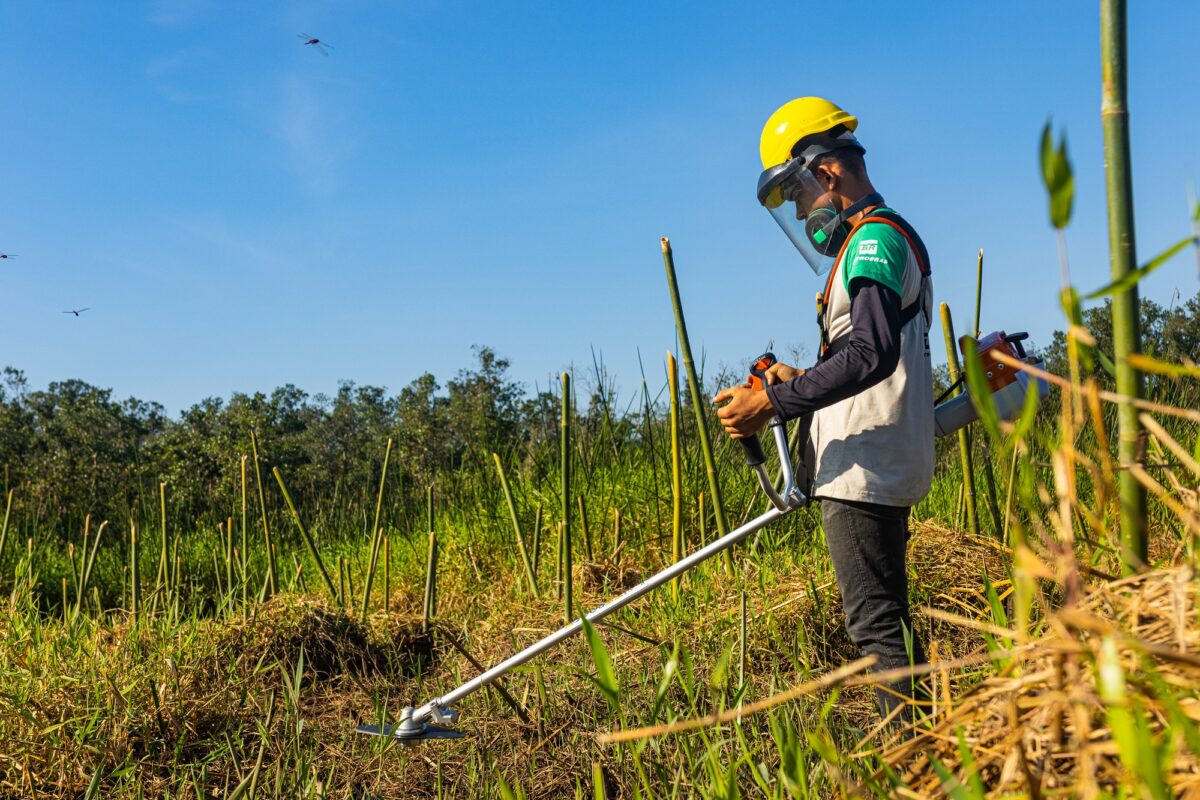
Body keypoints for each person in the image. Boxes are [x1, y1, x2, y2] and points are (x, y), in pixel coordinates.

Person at [714, 97, 934, 722]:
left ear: (826, 173)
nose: (803, 213)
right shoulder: (877, 244)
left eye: (798, 196)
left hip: (863, 469)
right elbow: (863, 353)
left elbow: (870, 353)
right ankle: (929, 760)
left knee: (876, 631)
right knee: (887, 621)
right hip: (875, 460)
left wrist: (771, 401)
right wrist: (794, 378)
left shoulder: (872, 243)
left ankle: (915, 771)